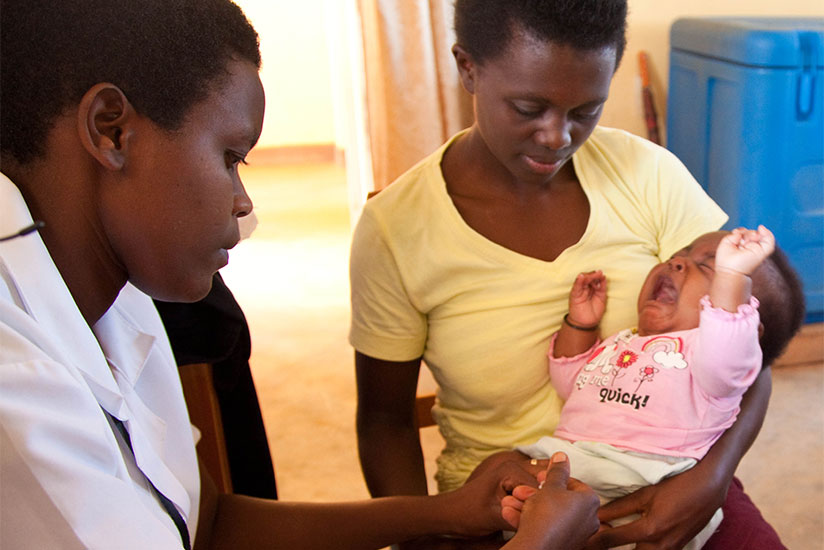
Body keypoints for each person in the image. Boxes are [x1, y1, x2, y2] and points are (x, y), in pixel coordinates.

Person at [0, 1, 601, 549]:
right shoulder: (17, 386)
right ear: (111, 129)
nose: (243, 204)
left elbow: (209, 522)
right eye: (231, 157)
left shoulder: (118, 295)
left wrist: (448, 511)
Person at [349, 0, 786, 548]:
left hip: (669, 480)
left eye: (586, 110)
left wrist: (712, 476)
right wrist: (424, 537)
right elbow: (385, 422)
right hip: (507, 508)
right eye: (529, 107)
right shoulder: (396, 228)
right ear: (468, 69)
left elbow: (750, 350)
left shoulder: (647, 174)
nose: (558, 136)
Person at [500, 227, 805, 549]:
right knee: (495, 472)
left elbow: (726, 346)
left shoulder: (714, 367)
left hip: (641, 485)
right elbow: (572, 385)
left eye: (707, 267)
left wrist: (731, 276)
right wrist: (580, 325)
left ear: (744, 332)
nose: (677, 263)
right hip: (568, 470)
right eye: (678, 255)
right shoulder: (626, 341)